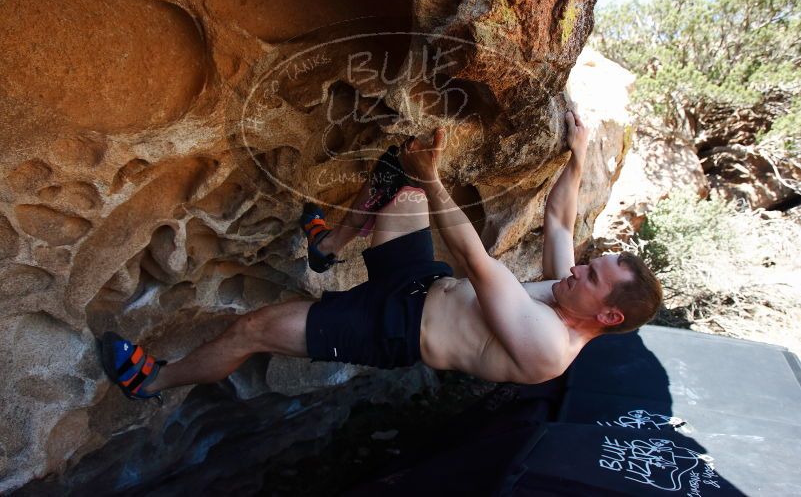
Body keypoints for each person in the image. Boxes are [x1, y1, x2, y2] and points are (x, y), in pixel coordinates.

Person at [100, 110, 662, 403]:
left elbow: (478, 263)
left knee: (254, 328)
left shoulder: (548, 348)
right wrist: (580, 155)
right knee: (400, 177)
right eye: (589, 264)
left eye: (591, 276)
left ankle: (152, 382)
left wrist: (436, 180)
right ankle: (327, 246)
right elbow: (560, 219)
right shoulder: (571, 292)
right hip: (421, 282)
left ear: (607, 315)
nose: (577, 269)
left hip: (390, 328)